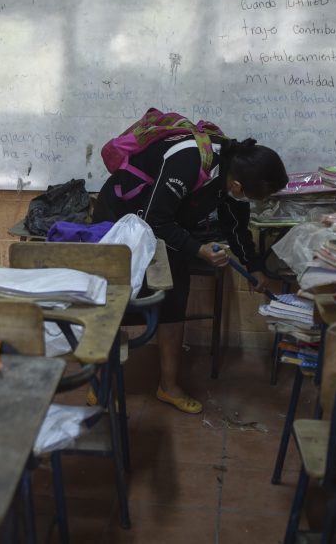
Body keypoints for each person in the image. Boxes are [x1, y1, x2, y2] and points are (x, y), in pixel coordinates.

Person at [93, 130, 289, 414]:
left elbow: (235, 227)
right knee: (115, 296)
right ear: (236, 185)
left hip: (166, 223)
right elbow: (154, 220)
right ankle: (98, 382)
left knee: (174, 295)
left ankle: (168, 386)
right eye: (257, 197)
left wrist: (254, 266)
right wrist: (199, 249)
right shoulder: (189, 161)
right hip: (121, 216)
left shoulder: (234, 173)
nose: (257, 203)